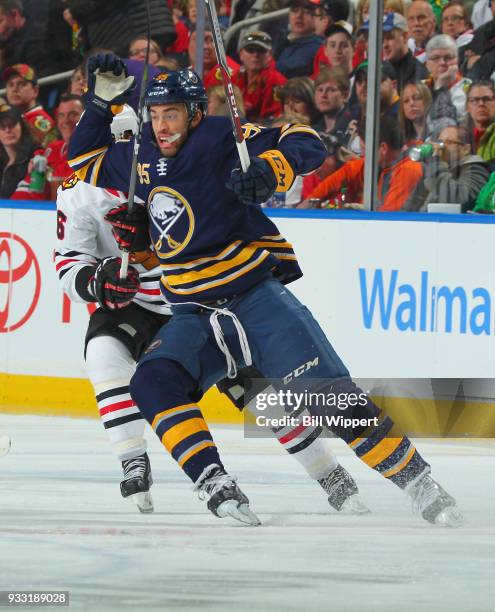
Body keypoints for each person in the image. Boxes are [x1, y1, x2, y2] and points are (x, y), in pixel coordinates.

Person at [68, 54, 463, 528]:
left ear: (195, 112)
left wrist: (273, 169)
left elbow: (306, 139)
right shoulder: (142, 152)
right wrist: (98, 103)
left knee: (329, 398)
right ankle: (213, 480)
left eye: (171, 113)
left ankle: (417, 480)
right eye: (154, 114)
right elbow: (82, 161)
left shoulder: (221, 137)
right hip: (191, 312)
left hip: (253, 297)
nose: (161, 125)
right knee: (152, 382)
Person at [298, 116, 423, 211]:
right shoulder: (377, 164)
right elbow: (340, 178)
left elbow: (387, 220)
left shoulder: (408, 169)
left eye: (364, 149)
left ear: (383, 148)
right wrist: (308, 203)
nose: (363, 155)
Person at [12, 94, 85, 200]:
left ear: (87, 117)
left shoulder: (95, 154)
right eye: (61, 115)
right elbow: (28, 193)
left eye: (73, 114)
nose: (66, 121)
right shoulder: (53, 149)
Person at [403, 124, 489, 212]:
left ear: (465, 149)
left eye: (449, 142)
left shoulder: (475, 169)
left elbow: (456, 198)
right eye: (440, 142)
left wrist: (435, 163)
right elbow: (413, 201)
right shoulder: (435, 168)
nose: (441, 147)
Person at [232, 31, 286, 122]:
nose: (255, 55)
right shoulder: (236, 77)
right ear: (241, 54)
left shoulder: (275, 80)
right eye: (250, 50)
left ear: (270, 55)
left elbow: (273, 118)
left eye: (261, 50)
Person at [3, 64, 57, 148]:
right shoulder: (10, 120)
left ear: (35, 90)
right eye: (10, 85)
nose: (14, 89)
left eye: (22, 84)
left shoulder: (42, 122)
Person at [275, 0, 323, 78]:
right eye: (294, 10)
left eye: (307, 12)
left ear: (317, 17)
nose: (299, 16)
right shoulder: (282, 42)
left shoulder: (320, 49)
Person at [0, 102, 36, 198]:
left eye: (12, 124)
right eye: (2, 126)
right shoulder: (2, 162)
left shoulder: (33, 156)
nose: (8, 130)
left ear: (21, 126)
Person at [399, 80, 433, 146]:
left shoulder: (437, 129)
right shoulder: (402, 138)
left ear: (427, 100)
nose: (411, 103)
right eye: (406, 101)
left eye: (417, 98)